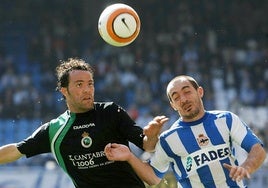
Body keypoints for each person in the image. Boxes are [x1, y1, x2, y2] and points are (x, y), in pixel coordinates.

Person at [0, 58, 169, 188]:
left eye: (90, 84)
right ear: (64, 91)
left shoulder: (110, 112)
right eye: (79, 85)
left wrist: (152, 135)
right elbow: (16, 150)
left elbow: (147, 146)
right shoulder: (54, 130)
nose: (87, 89)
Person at [105, 75, 267, 188]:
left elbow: (257, 150)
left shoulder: (226, 119)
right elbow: (153, 177)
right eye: (176, 97)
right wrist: (129, 157)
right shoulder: (168, 139)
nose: (183, 99)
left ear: (200, 92)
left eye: (187, 91)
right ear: (173, 106)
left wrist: (246, 167)